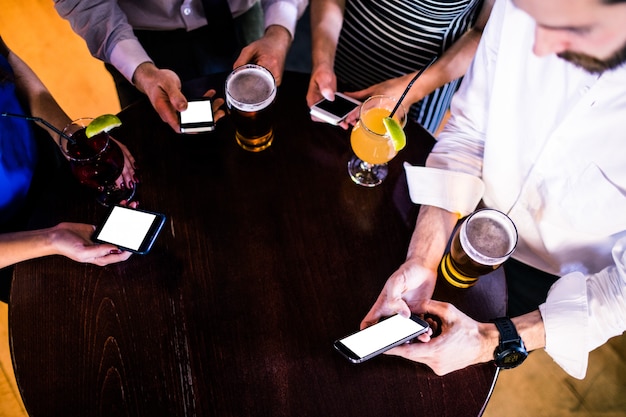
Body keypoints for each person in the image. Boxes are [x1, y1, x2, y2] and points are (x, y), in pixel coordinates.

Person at [361, 0, 626, 380]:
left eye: (567, 26)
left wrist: (491, 340)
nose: (537, 49)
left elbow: (621, 293)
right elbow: (469, 132)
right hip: (462, 217)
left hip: (560, 283)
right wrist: (422, 257)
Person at [0, 36, 140, 300]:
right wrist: (51, 239)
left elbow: (22, 81)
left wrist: (74, 139)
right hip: (13, 243)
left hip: (46, 171)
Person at [54, 0, 308, 133]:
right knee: (161, 140)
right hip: (138, 38)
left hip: (242, 18)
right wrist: (142, 71)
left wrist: (278, 33)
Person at [306, 0, 494, 133]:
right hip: (345, 47)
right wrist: (323, 59)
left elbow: (485, 33)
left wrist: (412, 91)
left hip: (423, 80)